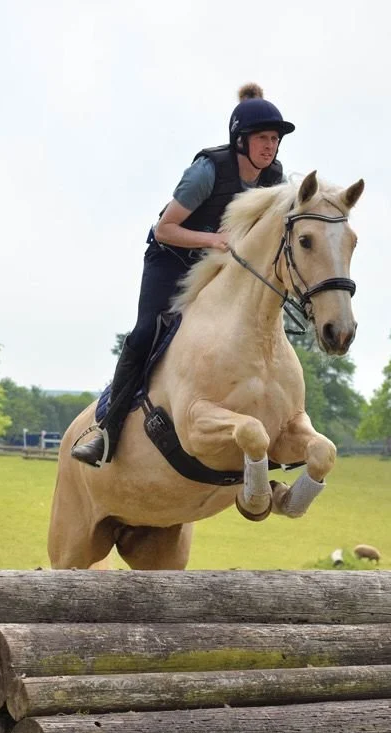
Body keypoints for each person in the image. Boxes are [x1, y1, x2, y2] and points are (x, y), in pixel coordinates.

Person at [72, 83, 296, 466]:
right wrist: (214, 240)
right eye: (262, 138)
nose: (270, 147)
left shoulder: (274, 178)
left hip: (222, 266)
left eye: (274, 139)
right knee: (146, 333)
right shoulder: (207, 171)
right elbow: (165, 228)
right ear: (241, 140)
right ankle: (106, 429)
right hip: (171, 259)